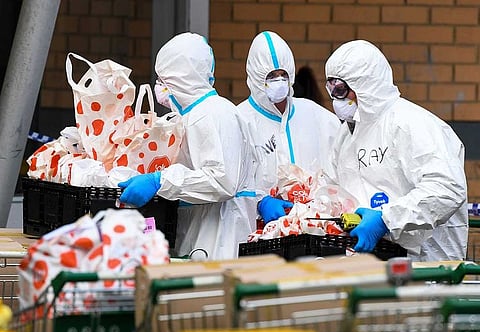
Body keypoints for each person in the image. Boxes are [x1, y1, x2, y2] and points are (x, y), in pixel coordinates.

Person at [324, 39, 468, 261]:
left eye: (341, 89)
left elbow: (447, 189)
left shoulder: (412, 124)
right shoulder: (347, 134)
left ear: (365, 84)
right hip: (368, 265)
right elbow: (332, 189)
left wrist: (387, 219)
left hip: (425, 270)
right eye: (331, 88)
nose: (336, 98)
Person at [118, 32, 257, 260]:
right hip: (199, 232)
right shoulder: (192, 116)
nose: (159, 87)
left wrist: (159, 181)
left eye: (163, 81)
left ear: (180, 79)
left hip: (220, 238)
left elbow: (221, 181)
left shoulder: (213, 114)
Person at [237, 31, 340, 225]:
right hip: (257, 230)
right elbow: (230, 184)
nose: (279, 81)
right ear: (256, 77)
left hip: (312, 227)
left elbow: (341, 167)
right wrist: (259, 201)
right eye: (271, 76)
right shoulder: (240, 120)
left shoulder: (316, 116)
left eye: (283, 74)